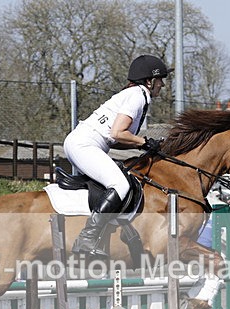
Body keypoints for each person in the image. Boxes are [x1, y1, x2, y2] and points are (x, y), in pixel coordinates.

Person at [64, 54, 171, 257]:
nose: (162, 85)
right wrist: (144, 141)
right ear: (149, 81)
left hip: (82, 143)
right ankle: (87, 238)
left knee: (121, 178)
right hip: (84, 145)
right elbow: (117, 133)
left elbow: (116, 139)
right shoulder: (137, 96)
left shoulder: (135, 95)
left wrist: (142, 146)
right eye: (160, 80)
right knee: (120, 185)